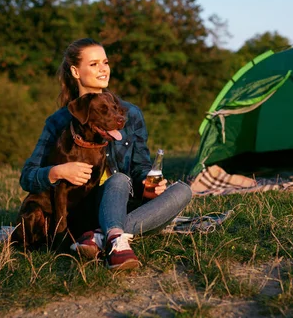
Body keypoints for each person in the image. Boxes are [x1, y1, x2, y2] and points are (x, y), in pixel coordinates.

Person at [19, 38, 193, 270]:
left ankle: (101, 237)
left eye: (106, 62)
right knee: (118, 179)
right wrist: (57, 171)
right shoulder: (58, 122)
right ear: (75, 71)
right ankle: (115, 236)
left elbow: (140, 167)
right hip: (81, 212)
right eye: (94, 64)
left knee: (182, 190)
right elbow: (27, 176)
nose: (103, 69)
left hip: (122, 204)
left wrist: (149, 184)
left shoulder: (130, 114)